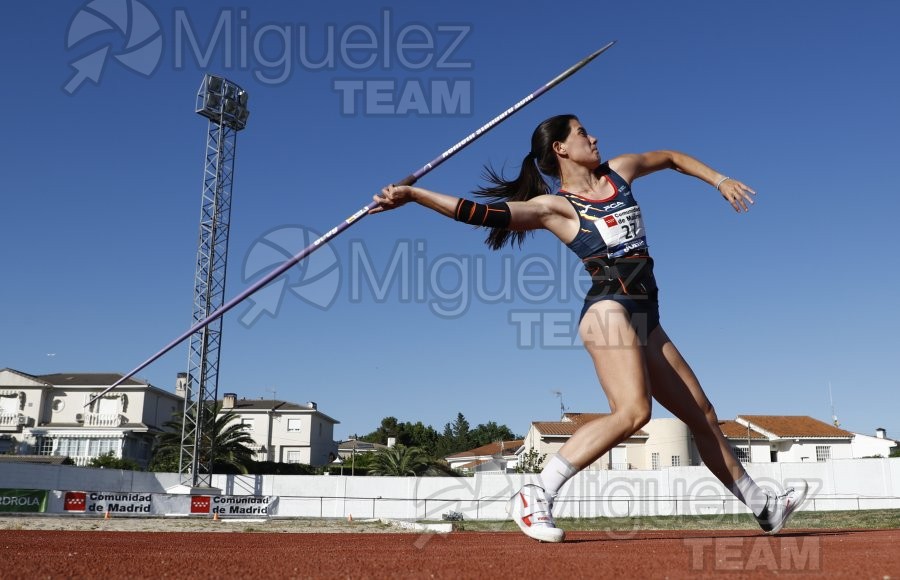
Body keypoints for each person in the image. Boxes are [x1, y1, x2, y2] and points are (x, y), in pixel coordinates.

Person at [371, 114, 807, 543]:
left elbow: (671, 157)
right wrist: (413, 194)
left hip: (645, 314)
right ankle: (535, 492)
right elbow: (480, 213)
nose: (594, 137)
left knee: (702, 415)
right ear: (561, 148)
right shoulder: (555, 207)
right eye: (582, 133)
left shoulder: (620, 172)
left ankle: (763, 508)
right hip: (608, 309)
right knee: (634, 413)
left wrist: (719, 179)